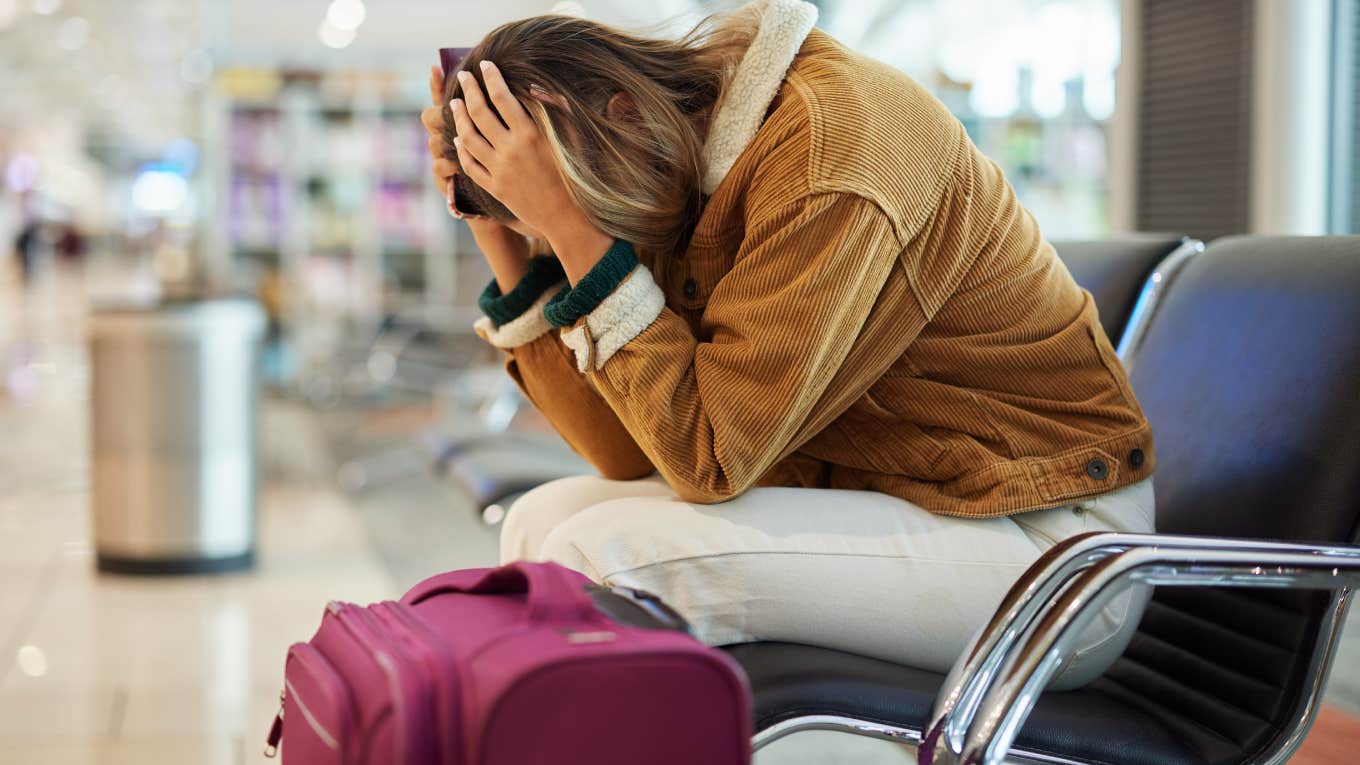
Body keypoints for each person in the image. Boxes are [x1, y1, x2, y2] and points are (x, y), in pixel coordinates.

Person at [420, 0, 1155, 689]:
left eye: (557, 206)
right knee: (539, 519)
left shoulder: (830, 158)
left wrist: (580, 238)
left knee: (600, 555)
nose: (560, 233)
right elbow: (627, 450)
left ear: (621, 116)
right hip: (898, 492)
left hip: (1048, 542)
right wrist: (500, 228)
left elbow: (709, 457)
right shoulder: (670, 158)